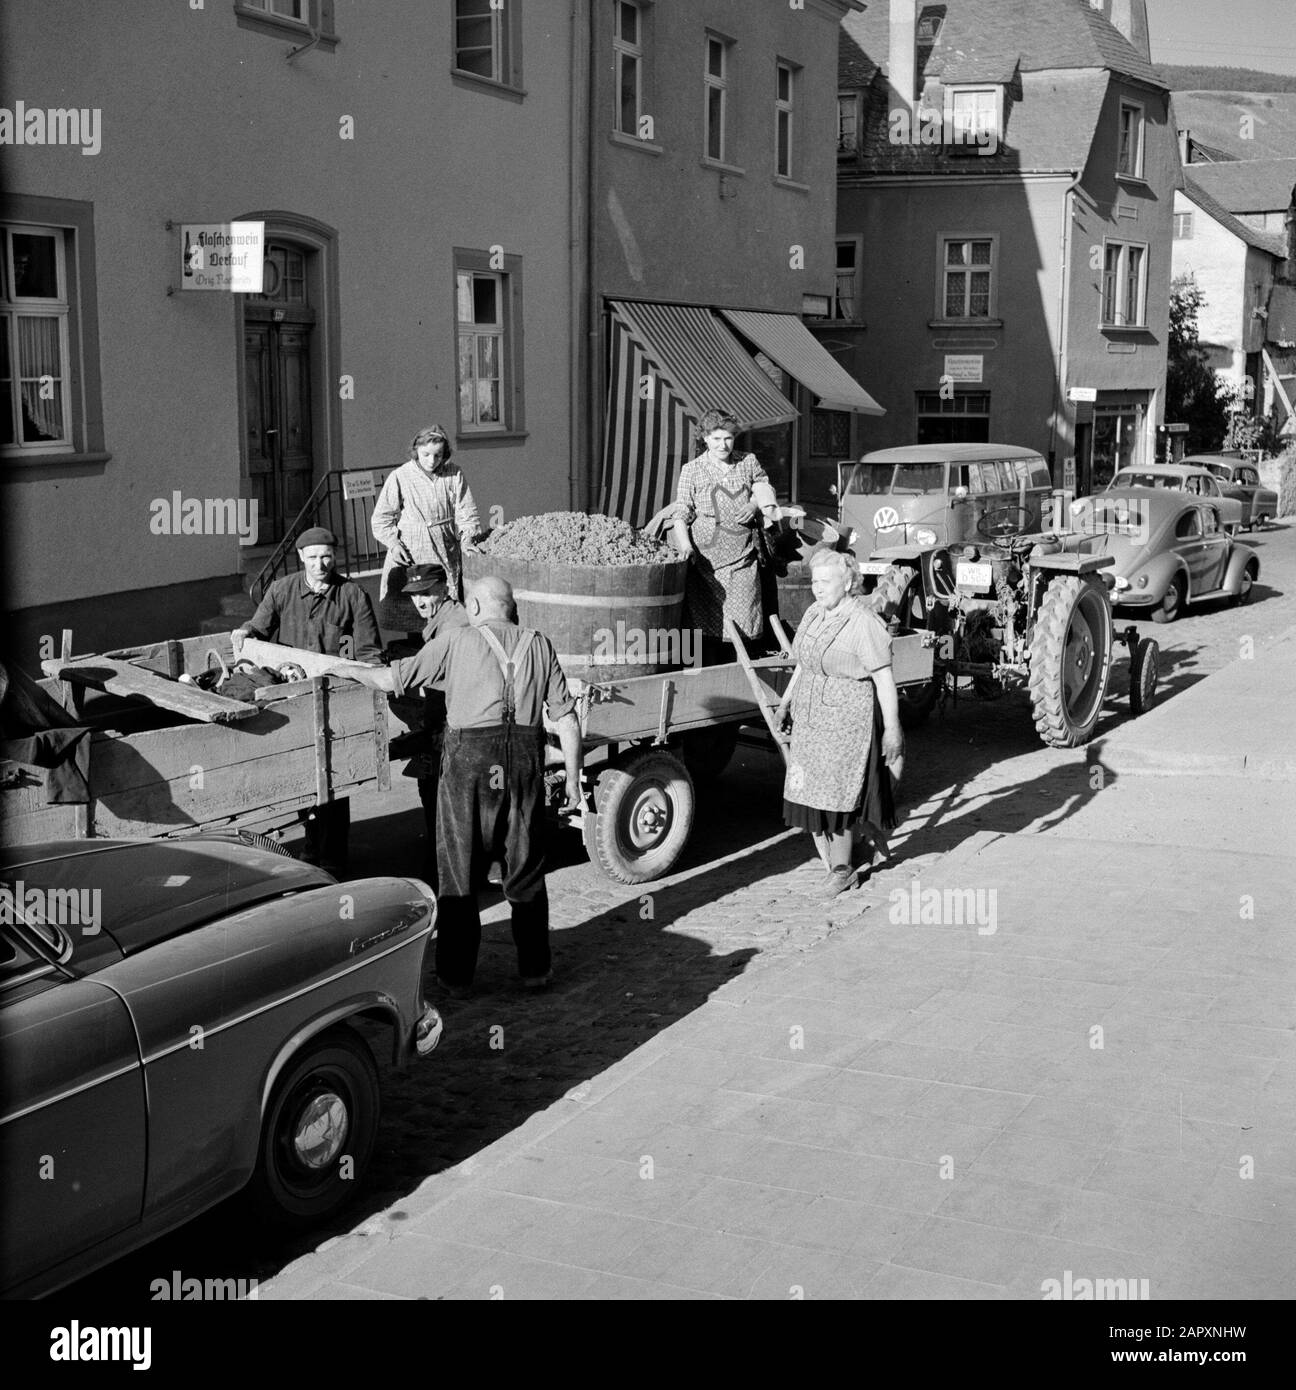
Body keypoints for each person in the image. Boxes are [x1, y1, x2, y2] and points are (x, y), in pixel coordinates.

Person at [326, 575, 583, 996]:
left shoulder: (457, 640)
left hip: (470, 765)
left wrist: (343, 668)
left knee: (459, 870)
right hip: (523, 764)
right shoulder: (540, 642)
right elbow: (567, 719)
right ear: (510, 607)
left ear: (477, 607)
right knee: (525, 869)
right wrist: (572, 779)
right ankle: (536, 971)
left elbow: (393, 680)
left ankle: (456, 977)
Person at [232, 525, 383, 875]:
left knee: (334, 781)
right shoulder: (281, 590)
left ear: (335, 557)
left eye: (327, 556)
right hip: (292, 699)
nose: (320, 564)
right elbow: (258, 629)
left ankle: (332, 861)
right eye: (313, 557)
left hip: (333, 700)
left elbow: (370, 653)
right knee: (303, 780)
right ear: (301, 558)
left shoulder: (353, 595)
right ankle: (313, 850)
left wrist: (365, 684)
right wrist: (245, 632)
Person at [778, 546, 905, 899]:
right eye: (815, 581)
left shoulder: (864, 624)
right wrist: (786, 703)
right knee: (816, 792)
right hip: (811, 719)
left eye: (826, 581)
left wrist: (893, 728)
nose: (818, 588)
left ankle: (842, 869)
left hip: (847, 721)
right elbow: (803, 663)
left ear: (848, 581)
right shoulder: (813, 613)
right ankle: (851, 853)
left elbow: (883, 679)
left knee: (839, 793)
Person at [672, 409, 782, 661]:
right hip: (705, 563)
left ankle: (742, 666)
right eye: (717, 439)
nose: (723, 445)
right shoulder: (692, 470)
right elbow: (681, 512)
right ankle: (711, 670)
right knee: (706, 621)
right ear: (705, 439)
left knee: (744, 615)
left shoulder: (747, 461)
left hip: (742, 556)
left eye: (728, 438)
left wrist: (754, 505)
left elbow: (763, 487)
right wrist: (686, 546)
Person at [391, 563, 469, 888]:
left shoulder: (453, 626)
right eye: (414, 596)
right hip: (442, 724)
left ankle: (445, 879)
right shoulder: (440, 622)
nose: (420, 602)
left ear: (444, 588)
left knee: (445, 803)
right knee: (434, 796)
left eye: (426, 593)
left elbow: (408, 675)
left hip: (458, 730)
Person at [371, 424, 483, 635]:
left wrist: (467, 539)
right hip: (413, 552)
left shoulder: (454, 474)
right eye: (426, 455)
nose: (432, 461)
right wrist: (394, 544)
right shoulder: (400, 476)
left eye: (438, 455)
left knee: (445, 609)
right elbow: (381, 519)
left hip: (444, 548)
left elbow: (467, 512)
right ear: (416, 451)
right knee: (416, 608)